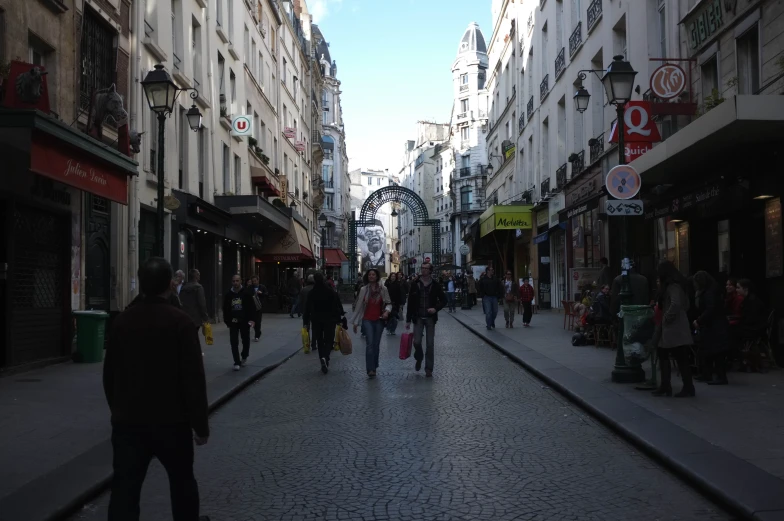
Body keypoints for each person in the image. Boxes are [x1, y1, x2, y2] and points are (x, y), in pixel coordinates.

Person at [104, 257, 210, 521]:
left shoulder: (122, 322)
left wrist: (117, 410)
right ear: (168, 285)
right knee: (182, 481)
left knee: (125, 489)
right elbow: (193, 378)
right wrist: (200, 424)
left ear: (141, 284)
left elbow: (110, 375)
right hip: (172, 421)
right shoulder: (181, 322)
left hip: (129, 422)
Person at [651, 261, 695, 398]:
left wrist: (667, 318)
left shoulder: (673, 286)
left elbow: (676, 304)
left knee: (679, 357)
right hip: (672, 327)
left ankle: (686, 387)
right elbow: (685, 304)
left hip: (674, 328)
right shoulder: (676, 286)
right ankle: (666, 385)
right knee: (665, 355)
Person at [405, 262, 447, 377]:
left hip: (430, 319)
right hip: (418, 317)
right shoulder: (415, 284)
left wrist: (435, 309)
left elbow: (444, 300)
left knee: (430, 344)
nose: (423, 270)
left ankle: (429, 368)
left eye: (426, 268)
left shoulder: (435, 285)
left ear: (430, 271)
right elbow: (410, 303)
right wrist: (408, 320)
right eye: (422, 268)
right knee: (416, 342)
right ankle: (419, 357)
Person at [351, 269, 392, 378]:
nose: (371, 276)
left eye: (373, 274)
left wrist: (387, 311)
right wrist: (356, 322)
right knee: (369, 344)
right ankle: (370, 369)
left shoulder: (383, 289)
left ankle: (374, 365)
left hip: (379, 320)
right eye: (369, 274)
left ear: (377, 276)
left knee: (376, 344)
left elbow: (388, 303)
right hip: (367, 319)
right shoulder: (364, 289)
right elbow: (359, 306)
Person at [692, 271, 730, 385]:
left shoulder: (708, 293)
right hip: (714, 324)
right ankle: (708, 374)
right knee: (709, 350)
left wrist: (699, 320)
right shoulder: (713, 291)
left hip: (714, 326)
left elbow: (710, 309)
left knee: (716, 351)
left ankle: (719, 376)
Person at [303, 272, 344, 374]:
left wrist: (306, 322)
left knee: (319, 340)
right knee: (329, 339)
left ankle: (322, 357)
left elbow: (307, 309)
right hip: (330, 319)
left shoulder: (312, 293)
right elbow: (337, 306)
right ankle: (326, 357)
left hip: (316, 319)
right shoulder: (331, 292)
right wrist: (339, 319)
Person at [223, 275, 255, 371]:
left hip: (244, 321)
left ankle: (244, 356)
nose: (235, 283)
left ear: (241, 281)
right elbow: (225, 308)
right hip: (233, 321)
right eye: (233, 281)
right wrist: (227, 321)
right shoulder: (229, 294)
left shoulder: (246, 293)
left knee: (245, 339)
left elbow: (251, 307)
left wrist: (251, 319)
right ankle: (236, 361)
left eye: (237, 281)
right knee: (233, 341)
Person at [736, 279, 768, 371]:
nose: (736, 290)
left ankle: (745, 361)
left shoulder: (751, 301)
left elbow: (751, 319)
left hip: (755, 329)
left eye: (738, 288)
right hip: (754, 327)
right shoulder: (749, 300)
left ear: (745, 289)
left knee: (732, 334)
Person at [179, 269, 209, 333]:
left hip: (184, 317)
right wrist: (205, 318)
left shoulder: (183, 288)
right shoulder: (198, 287)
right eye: (199, 275)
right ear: (196, 276)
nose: (200, 276)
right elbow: (202, 304)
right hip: (195, 319)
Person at [248, 276, 268, 341]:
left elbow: (266, 294)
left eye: (255, 281)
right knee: (252, 321)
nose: (254, 282)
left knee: (258, 321)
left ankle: (257, 335)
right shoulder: (250, 287)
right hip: (252, 307)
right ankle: (257, 331)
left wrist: (261, 293)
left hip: (259, 307)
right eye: (253, 281)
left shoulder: (262, 287)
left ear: (258, 280)